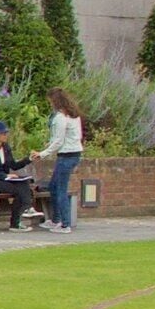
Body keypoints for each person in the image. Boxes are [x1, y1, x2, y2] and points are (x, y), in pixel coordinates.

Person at [43, 88, 86, 233]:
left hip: (66, 155)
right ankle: (56, 219)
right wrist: (51, 144)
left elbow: (59, 141)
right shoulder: (74, 116)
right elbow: (75, 136)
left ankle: (65, 224)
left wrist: (43, 153)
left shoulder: (60, 117)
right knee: (54, 186)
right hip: (74, 153)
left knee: (60, 189)